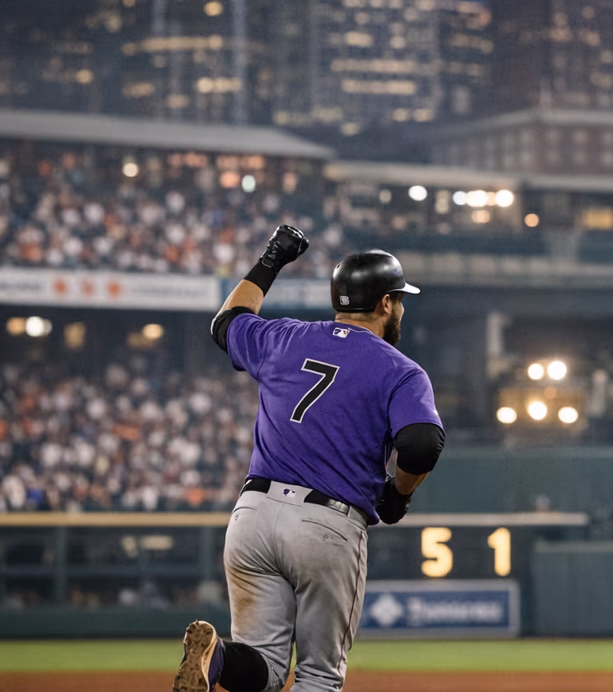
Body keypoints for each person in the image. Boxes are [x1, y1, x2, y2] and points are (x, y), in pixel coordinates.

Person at [173, 227, 445, 692]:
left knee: (265, 668)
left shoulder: (285, 337)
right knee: (319, 676)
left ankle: (218, 657)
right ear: (385, 303)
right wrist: (398, 495)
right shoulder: (400, 369)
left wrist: (271, 260)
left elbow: (227, 321)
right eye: (399, 299)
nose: (400, 308)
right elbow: (421, 443)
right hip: (326, 524)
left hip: (252, 516)